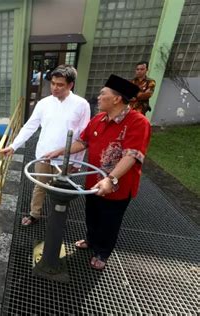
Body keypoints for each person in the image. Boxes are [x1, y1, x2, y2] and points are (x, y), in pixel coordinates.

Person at [45, 74, 151, 270]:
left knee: (110, 221)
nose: (99, 97)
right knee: (92, 214)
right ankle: (91, 240)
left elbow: (132, 155)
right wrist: (60, 151)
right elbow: (83, 142)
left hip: (116, 187)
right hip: (93, 181)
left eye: (103, 94)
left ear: (117, 99)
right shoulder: (99, 119)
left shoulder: (138, 122)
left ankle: (102, 252)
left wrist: (111, 179)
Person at [0, 64, 90, 226]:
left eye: (60, 84)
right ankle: (34, 214)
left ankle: (57, 217)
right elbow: (30, 126)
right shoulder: (44, 103)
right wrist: (13, 146)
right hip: (43, 154)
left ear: (70, 85)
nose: (55, 88)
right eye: (53, 83)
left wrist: (77, 162)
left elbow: (84, 137)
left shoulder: (81, 105)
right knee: (40, 186)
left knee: (61, 190)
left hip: (66, 159)